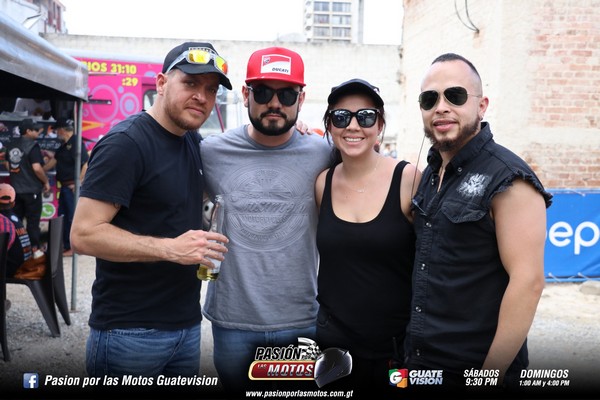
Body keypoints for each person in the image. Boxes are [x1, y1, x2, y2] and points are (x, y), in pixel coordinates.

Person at [70, 42, 231, 379]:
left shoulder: (191, 140)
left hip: (186, 326)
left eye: (211, 89)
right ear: (161, 83)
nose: (202, 97)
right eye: (190, 83)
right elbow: (83, 235)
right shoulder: (126, 143)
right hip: (129, 332)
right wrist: (170, 249)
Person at [405, 53, 553, 393]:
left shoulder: (509, 178)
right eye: (429, 99)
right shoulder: (430, 174)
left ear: (481, 105)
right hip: (421, 365)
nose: (441, 107)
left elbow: (528, 283)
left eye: (455, 95)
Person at [200, 46, 332, 395]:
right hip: (233, 321)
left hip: (301, 320)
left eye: (286, 94)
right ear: (245, 95)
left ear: (301, 99)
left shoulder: (322, 151)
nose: (275, 103)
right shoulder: (211, 151)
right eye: (263, 92)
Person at [314, 78, 421, 397]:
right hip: (335, 348)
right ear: (330, 126)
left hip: (395, 350)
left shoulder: (408, 178)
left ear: (380, 125)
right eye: (341, 117)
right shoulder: (323, 183)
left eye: (366, 116)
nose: (353, 126)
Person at [43, 118, 88, 257]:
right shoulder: (64, 146)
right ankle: (66, 244)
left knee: (71, 217)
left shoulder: (76, 142)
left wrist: (79, 182)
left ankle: (73, 247)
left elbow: (85, 165)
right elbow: (53, 162)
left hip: (72, 187)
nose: (56, 133)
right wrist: (37, 169)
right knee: (63, 215)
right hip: (64, 187)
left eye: (57, 130)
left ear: (62, 130)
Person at [4, 118, 51, 252]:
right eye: (35, 130)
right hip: (31, 190)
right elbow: (37, 168)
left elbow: (7, 164)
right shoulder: (33, 146)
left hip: (16, 190)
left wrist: (18, 175)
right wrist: (46, 181)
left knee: (16, 220)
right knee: (32, 221)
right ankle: (34, 249)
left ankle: (15, 248)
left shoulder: (11, 144)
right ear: (28, 131)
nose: (38, 132)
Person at [0, 183, 33, 278]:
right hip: (25, 264)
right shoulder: (15, 219)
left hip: (11, 269)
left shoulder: (3, 221)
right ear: (13, 203)